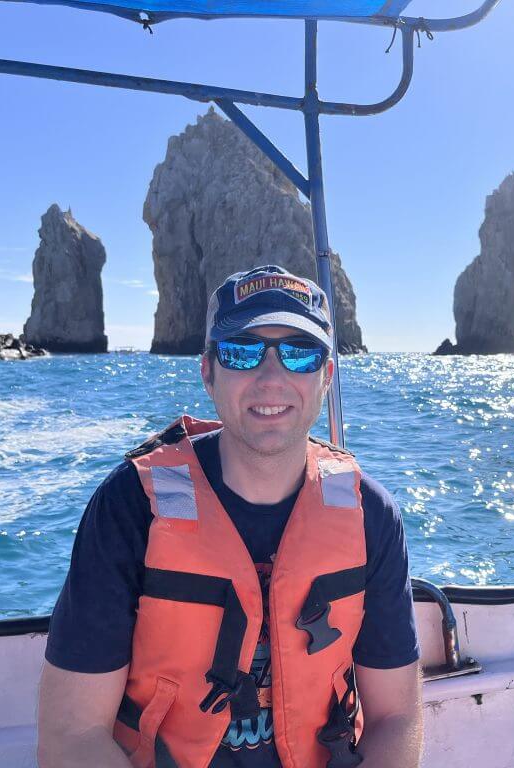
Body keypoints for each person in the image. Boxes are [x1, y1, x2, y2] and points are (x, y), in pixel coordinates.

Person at [37, 265, 423, 768]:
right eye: (242, 352)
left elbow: (396, 717)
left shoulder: (371, 515)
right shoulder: (131, 506)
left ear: (326, 377)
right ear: (208, 372)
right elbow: (72, 735)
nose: (271, 378)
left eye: (299, 354)